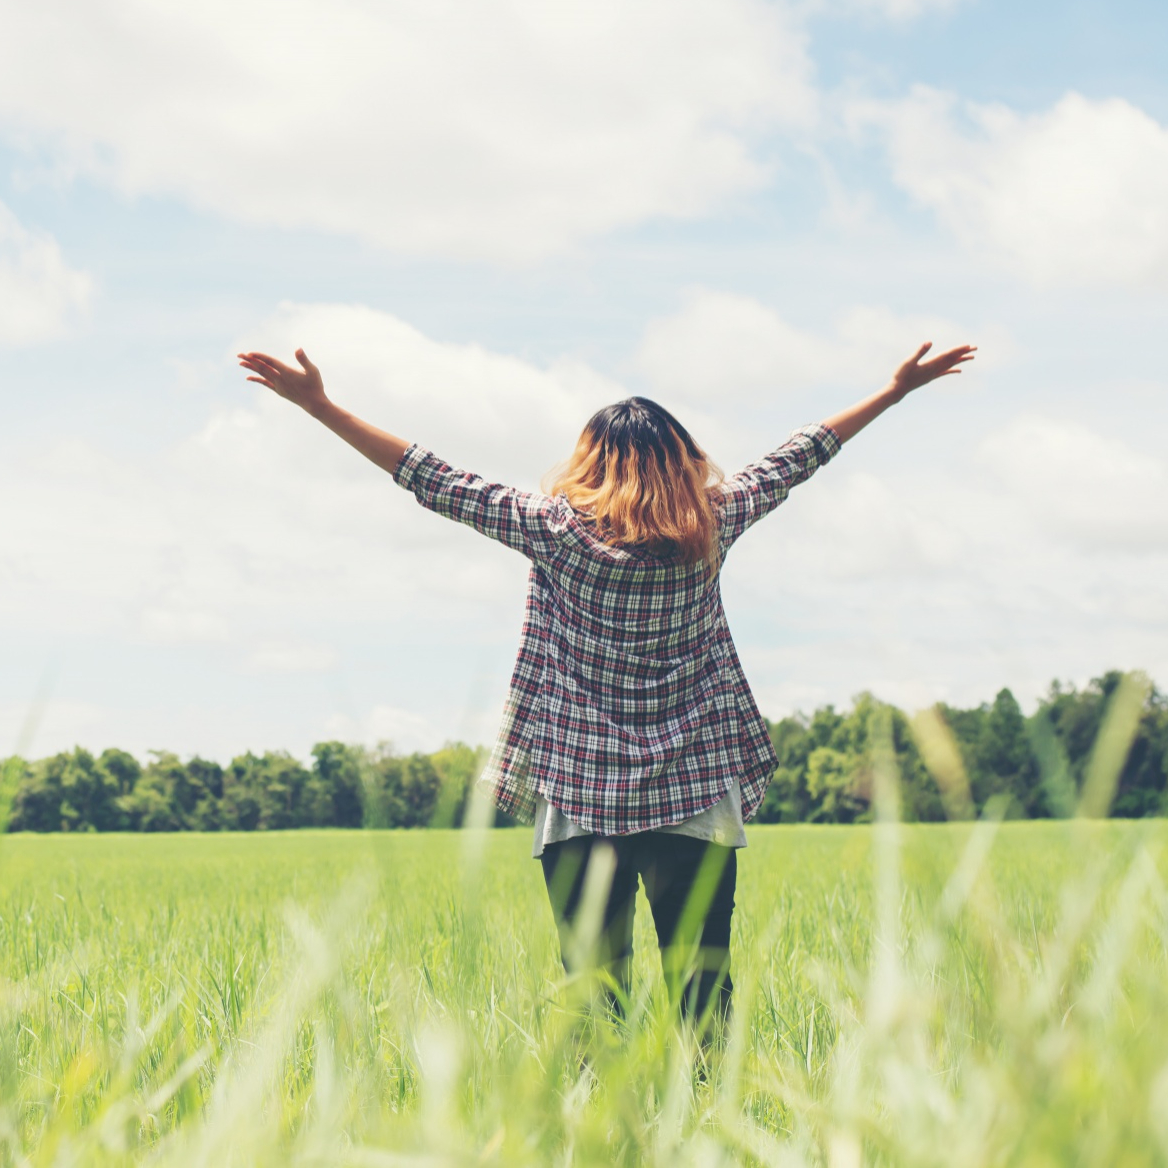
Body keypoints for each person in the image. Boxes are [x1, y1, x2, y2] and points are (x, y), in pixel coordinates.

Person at [237, 337, 976, 1029]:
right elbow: (801, 454)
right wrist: (892, 391)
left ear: (590, 462)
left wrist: (321, 407)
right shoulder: (715, 521)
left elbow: (431, 477)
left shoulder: (551, 530)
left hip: (580, 794)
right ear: (682, 460)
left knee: (594, 998)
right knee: (703, 996)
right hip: (694, 788)